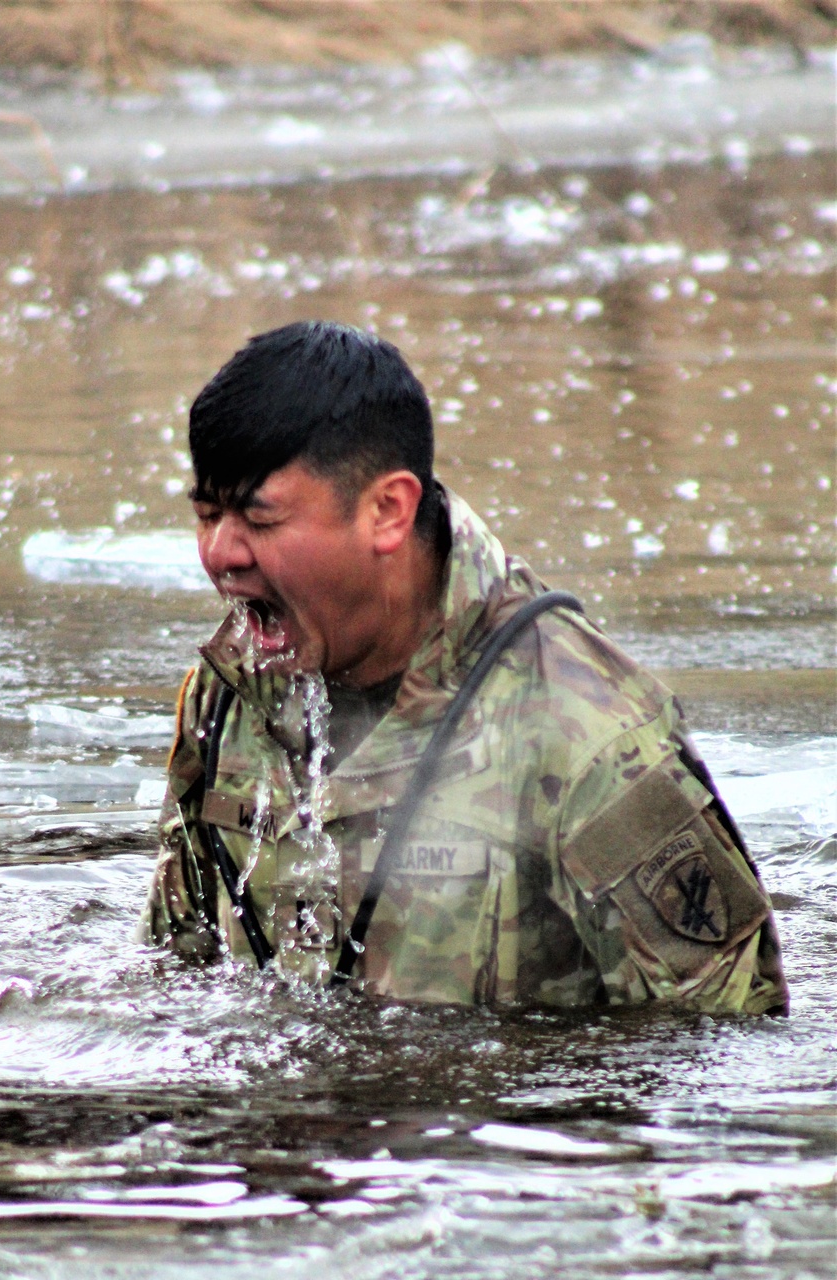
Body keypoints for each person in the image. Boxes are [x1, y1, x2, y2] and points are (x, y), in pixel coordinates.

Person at [138, 320, 787, 1015]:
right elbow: (180, 968)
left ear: (388, 510)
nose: (220, 554)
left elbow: (727, 1042)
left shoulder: (581, 727)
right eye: (207, 516)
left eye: (258, 522)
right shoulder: (229, 693)